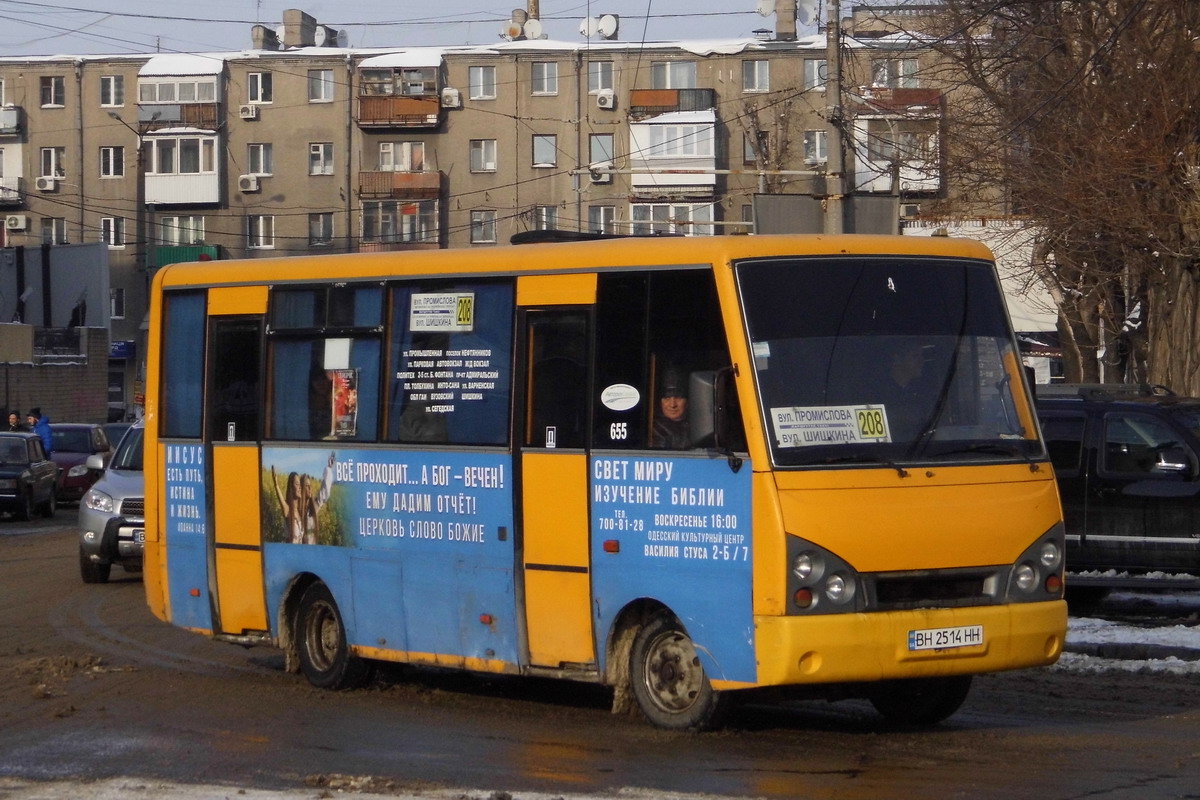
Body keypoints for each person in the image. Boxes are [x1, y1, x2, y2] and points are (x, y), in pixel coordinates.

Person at [652, 366, 691, 449]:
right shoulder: (654, 430)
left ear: (687, 401)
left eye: (678, 397)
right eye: (667, 398)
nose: (673, 404)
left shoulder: (698, 426)